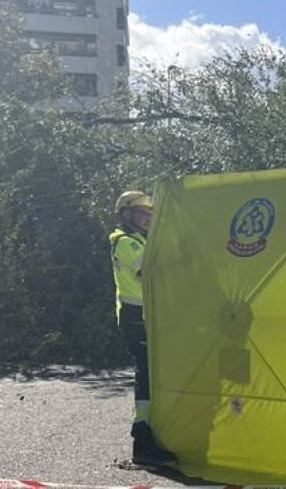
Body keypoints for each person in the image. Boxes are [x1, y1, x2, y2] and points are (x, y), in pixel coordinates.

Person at [110, 190, 177, 467]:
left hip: (148, 316)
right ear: (127, 215)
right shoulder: (125, 242)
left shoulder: (142, 240)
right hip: (136, 317)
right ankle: (142, 441)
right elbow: (152, 272)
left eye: (150, 213)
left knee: (154, 375)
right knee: (147, 375)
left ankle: (151, 436)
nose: (148, 218)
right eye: (142, 213)